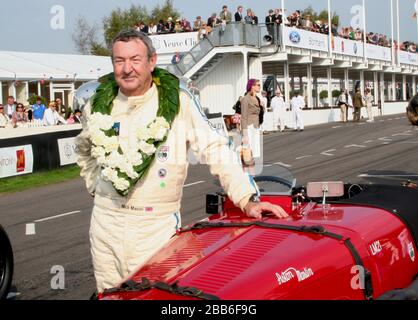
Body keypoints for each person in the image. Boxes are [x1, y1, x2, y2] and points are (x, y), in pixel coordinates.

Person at [75, 29, 288, 293]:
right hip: (105, 225)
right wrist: (95, 186)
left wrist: (247, 199)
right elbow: (83, 148)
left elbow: (217, 149)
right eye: (119, 61)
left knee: (157, 298)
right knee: (109, 296)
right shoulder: (98, 103)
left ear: (152, 61)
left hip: (154, 229)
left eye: (135, 59)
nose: (127, 68)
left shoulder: (179, 101)